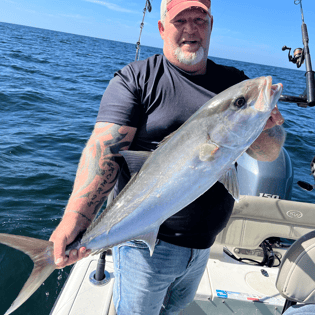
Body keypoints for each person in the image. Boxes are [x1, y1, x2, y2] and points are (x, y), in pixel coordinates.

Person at [49, 0, 286, 314]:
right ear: (162, 28)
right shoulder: (136, 79)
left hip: (204, 245)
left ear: (211, 26)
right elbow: (105, 148)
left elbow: (268, 154)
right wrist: (76, 219)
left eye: (199, 19)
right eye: (180, 20)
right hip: (144, 247)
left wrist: (264, 125)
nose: (191, 29)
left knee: (173, 311)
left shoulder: (232, 82)